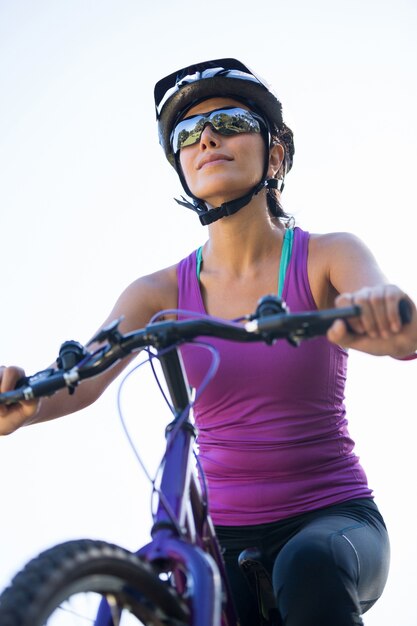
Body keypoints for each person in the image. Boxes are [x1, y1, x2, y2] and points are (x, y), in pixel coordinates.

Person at [1, 58, 416, 626]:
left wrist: (381, 320)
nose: (207, 138)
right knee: (173, 599)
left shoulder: (326, 256)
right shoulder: (156, 292)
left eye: (230, 120)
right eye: (186, 134)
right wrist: (25, 404)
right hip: (222, 540)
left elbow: (387, 315)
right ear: (182, 167)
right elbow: (85, 377)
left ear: (275, 154)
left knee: (308, 565)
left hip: (335, 521)